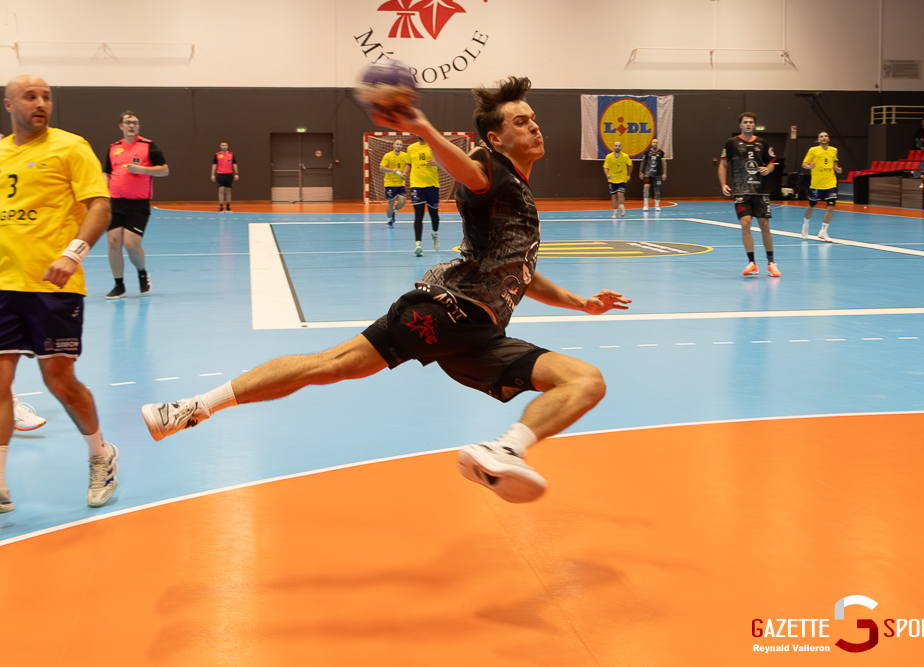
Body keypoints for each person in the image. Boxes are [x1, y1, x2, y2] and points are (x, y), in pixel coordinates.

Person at [141, 76, 631, 504]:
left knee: (586, 381)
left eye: (534, 118)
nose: (534, 126)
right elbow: (465, 169)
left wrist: (580, 302)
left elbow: (519, 272)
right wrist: (421, 128)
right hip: (447, 311)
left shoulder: (518, 193)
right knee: (329, 367)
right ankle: (190, 408)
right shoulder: (490, 169)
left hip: (481, 338)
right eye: (521, 121)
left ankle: (503, 450)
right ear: (495, 137)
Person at [0, 75, 119, 513]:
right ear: (10, 104)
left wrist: (73, 254)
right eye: (30, 97)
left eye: (46, 97)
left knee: (59, 382)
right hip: (4, 285)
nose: (40, 103)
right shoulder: (1, 152)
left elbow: (100, 205)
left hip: (55, 286)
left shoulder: (70, 147)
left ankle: (100, 456)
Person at [103, 110, 169, 298]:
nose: (132, 125)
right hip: (115, 202)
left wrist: (141, 169)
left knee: (131, 244)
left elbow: (164, 170)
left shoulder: (149, 146)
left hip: (138, 204)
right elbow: (106, 173)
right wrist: (102, 193)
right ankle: (119, 285)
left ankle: (141, 273)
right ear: (121, 126)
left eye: (135, 122)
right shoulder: (113, 148)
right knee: (113, 242)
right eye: (128, 122)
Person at [718, 112, 780, 277]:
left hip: (760, 190)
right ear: (740, 125)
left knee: (764, 225)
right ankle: (752, 263)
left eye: (751, 122)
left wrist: (769, 168)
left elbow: (772, 164)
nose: (748, 124)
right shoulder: (731, 143)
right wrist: (723, 183)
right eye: (745, 122)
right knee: (745, 224)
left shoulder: (762, 143)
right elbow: (723, 165)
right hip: (740, 190)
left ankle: (771, 262)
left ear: (754, 125)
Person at [800, 131, 842, 243]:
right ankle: (805, 225)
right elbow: (804, 164)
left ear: (828, 139)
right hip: (817, 183)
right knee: (811, 205)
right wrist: (809, 166)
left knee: (831, 206)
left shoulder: (834, 150)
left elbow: (834, 161)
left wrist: (836, 168)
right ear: (818, 140)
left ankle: (823, 231)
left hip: (830, 182)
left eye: (826, 136)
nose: (824, 138)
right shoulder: (813, 150)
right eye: (821, 136)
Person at [406, 135, 441, 256]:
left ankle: (435, 233)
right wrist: (404, 173)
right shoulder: (411, 148)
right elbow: (409, 164)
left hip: (432, 185)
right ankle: (418, 244)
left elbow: (444, 163)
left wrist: (436, 163)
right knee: (418, 215)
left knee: (434, 215)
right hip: (416, 185)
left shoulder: (434, 146)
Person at [378, 139, 409, 228]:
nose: (399, 146)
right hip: (389, 183)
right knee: (390, 202)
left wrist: (405, 174)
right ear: (393, 145)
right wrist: (392, 170)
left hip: (400, 183)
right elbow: (381, 168)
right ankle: (389, 221)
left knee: (402, 202)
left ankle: (394, 212)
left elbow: (409, 165)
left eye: (400, 144)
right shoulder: (388, 156)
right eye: (397, 144)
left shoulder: (405, 156)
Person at [603, 141, 632, 218]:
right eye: (616, 146)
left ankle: (621, 206)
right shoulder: (609, 157)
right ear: (613, 147)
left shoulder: (625, 156)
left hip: (622, 178)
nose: (617, 147)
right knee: (613, 196)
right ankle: (615, 212)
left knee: (620, 194)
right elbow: (605, 167)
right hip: (612, 179)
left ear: (621, 147)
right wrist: (607, 174)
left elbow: (630, 165)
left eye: (619, 146)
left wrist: (629, 175)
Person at [640, 138, 666, 212]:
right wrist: (641, 172)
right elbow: (643, 162)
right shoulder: (647, 152)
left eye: (656, 142)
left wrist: (664, 173)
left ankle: (657, 205)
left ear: (658, 144)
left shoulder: (661, 153)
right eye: (654, 142)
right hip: (648, 173)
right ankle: (645, 204)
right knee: (646, 187)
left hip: (657, 174)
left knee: (657, 189)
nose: (655, 143)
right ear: (651, 143)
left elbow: (664, 163)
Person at [211, 142, 238, 212]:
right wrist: (212, 174)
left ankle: (228, 207)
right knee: (221, 190)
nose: (224, 146)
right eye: (223, 145)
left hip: (229, 174)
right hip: (220, 174)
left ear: (227, 146)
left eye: (225, 145)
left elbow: (234, 164)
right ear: (220, 146)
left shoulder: (231, 155)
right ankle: (221, 206)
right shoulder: (217, 155)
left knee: (228, 191)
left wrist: (236, 173)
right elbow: (214, 165)